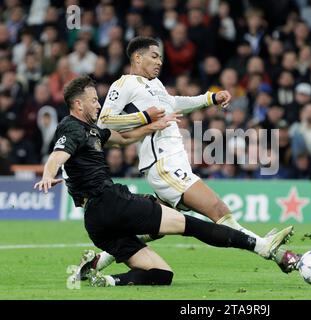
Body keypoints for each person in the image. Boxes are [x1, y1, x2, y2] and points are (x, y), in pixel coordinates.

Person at [34, 76, 297, 287]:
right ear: (78, 105)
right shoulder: (71, 127)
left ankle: (101, 279)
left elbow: (124, 139)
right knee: (192, 224)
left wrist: (152, 126)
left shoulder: (93, 131)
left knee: (161, 274)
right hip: (110, 201)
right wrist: (48, 174)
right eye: (93, 101)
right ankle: (261, 245)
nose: (98, 105)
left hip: (96, 222)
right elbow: (58, 154)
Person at [80, 37, 298, 276]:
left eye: (161, 56)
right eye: (154, 56)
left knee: (157, 226)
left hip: (173, 161)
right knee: (217, 208)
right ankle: (264, 247)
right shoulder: (125, 84)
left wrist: (209, 99)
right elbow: (105, 120)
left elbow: (173, 103)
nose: (160, 61)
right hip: (162, 162)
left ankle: (98, 262)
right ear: (137, 58)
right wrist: (146, 117)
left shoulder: (156, 85)